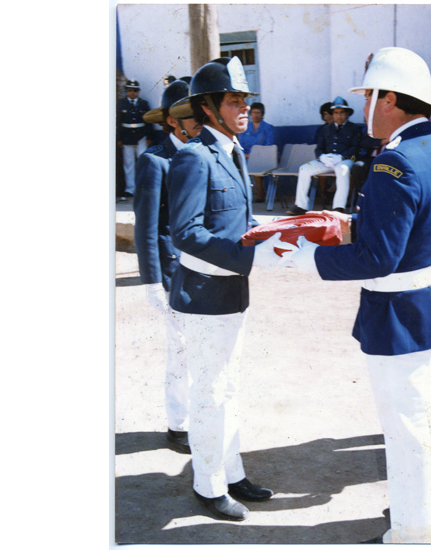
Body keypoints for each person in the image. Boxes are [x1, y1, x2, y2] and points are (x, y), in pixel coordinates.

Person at [282, 47, 431, 544]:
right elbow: (417, 223)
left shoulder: (395, 162)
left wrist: (310, 261)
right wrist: (357, 223)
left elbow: (378, 258)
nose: (364, 107)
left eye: (368, 97)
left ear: (389, 99)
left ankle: (413, 532)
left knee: (407, 430)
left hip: (400, 312)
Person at [166, 56, 286, 522]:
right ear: (209, 108)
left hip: (232, 294)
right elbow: (186, 232)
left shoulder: (234, 151)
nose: (242, 107)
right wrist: (248, 257)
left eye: (244, 99)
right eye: (234, 99)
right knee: (211, 392)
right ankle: (208, 485)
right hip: (204, 296)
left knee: (228, 388)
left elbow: (236, 221)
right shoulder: (195, 156)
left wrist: (273, 233)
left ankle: (231, 473)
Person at [133, 80, 202, 454]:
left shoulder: (202, 154)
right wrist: (151, 282)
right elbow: (146, 226)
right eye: (192, 116)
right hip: (174, 272)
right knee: (180, 349)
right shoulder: (155, 160)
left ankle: (199, 416)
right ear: (173, 122)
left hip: (204, 269)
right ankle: (179, 423)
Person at [287, 96, 362, 215]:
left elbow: (355, 148)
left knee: (341, 169)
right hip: (327, 160)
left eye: (342, 112)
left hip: (346, 159)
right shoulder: (326, 129)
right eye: (336, 113)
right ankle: (301, 205)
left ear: (347, 114)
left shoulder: (354, 128)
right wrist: (322, 157)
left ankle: (338, 207)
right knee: (304, 169)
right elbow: (319, 147)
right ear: (332, 115)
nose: (339, 115)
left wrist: (342, 157)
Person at [117, 80, 154, 201]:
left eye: (135, 90)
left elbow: (148, 121)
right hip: (127, 137)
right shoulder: (120, 104)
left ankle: (143, 187)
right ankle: (130, 189)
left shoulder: (144, 104)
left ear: (138, 91)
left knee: (143, 161)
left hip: (141, 137)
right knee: (128, 164)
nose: (132, 93)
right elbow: (118, 122)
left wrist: (149, 137)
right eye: (130, 90)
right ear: (127, 91)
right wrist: (118, 138)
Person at [238, 102, 275, 202]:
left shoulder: (268, 128)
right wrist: (244, 154)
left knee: (254, 163)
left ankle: (260, 191)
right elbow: (240, 145)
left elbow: (268, 146)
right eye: (253, 113)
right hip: (245, 157)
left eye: (258, 113)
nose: (255, 115)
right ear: (250, 114)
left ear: (262, 114)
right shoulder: (245, 128)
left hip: (262, 157)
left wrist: (253, 155)